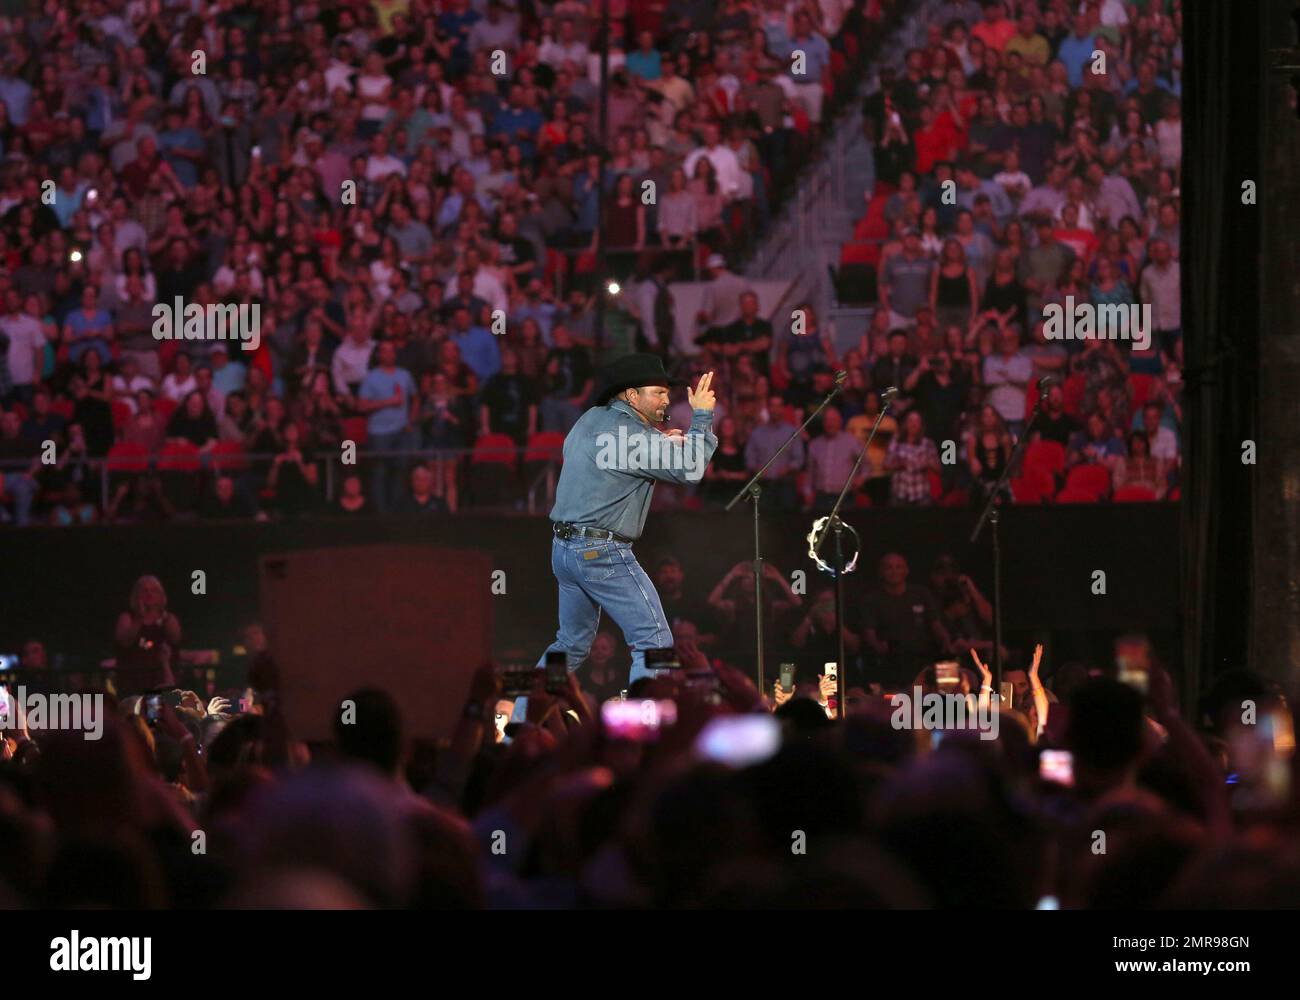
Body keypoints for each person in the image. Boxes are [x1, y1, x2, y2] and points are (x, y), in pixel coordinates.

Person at [530, 353, 717, 714]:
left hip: (564, 550)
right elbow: (691, 470)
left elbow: (617, 451)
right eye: (658, 393)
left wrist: (660, 442)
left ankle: (521, 721)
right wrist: (702, 419)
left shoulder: (591, 419)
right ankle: (643, 731)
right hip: (601, 551)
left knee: (570, 642)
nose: (667, 400)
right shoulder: (635, 438)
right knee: (654, 640)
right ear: (631, 396)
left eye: (667, 393)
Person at [113, 575, 182, 695]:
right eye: (144, 590)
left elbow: (175, 638)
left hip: (164, 684)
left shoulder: (169, 619)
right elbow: (125, 641)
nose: (149, 594)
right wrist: (139, 618)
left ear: (161, 595)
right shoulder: (127, 618)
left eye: (153, 590)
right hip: (132, 684)